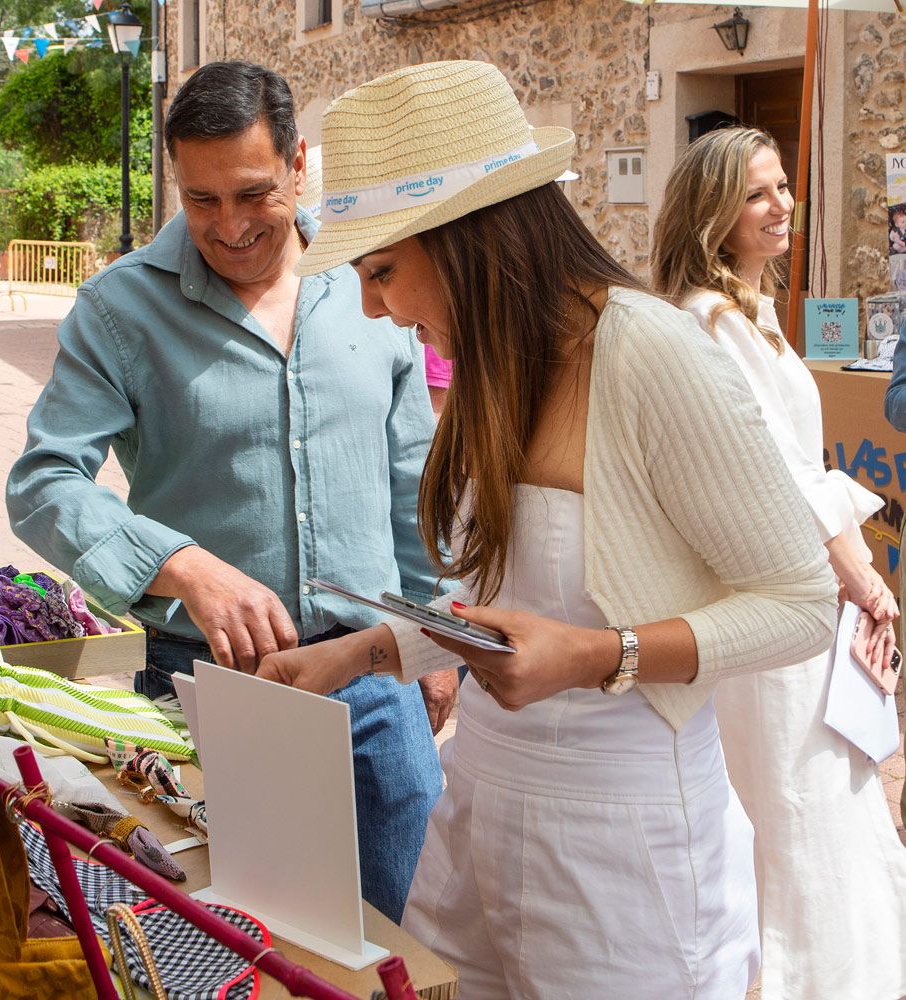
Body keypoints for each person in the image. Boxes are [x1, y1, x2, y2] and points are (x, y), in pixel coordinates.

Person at [256, 62, 836, 996]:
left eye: (381, 271)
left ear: (467, 242)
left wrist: (600, 655)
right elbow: (509, 605)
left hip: (628, 856)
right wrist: (362, 653)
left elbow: (805, 605)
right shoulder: (493, 363)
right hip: (478, 815)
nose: (372, 307)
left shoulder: (651, 352)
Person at [6, 61, 453, 923]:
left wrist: (432, 642)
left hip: (377, 681)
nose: (230, 226)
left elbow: (413, 481)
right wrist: (178, 562)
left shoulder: (370, 282)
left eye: (252, 193)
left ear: (297, 164)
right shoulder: (118, 309)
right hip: (205, 696)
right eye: (200, 200)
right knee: (246, 948)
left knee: (406, 946)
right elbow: (43, 481)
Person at [652, 126, 906, 1000]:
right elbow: (781, 475)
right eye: (759, 192)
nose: (783, 204)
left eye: (785, 187)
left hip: (796, 592)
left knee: (822, 791)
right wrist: (865, 579)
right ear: (714, 212)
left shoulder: (751, 316)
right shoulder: (706, 321)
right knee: (795, 800)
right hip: (771, 598)